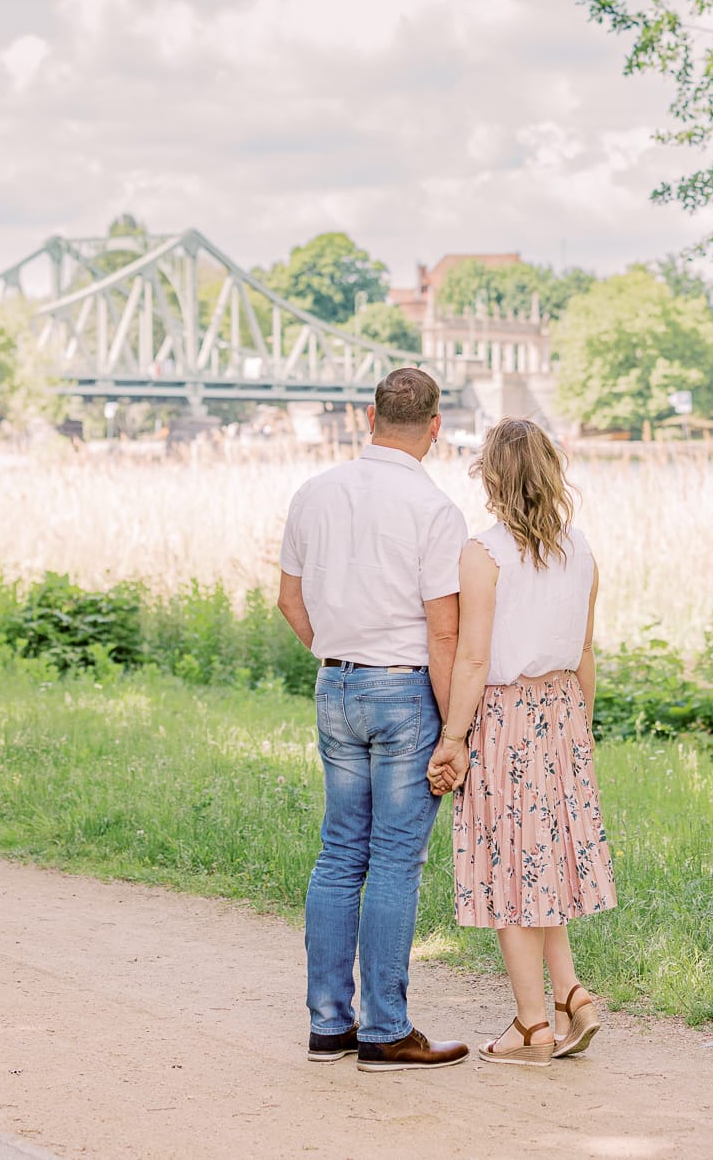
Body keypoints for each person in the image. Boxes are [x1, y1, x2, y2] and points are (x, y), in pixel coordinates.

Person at [277, 366, 470, 1072]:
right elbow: (443, 632)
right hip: (405, 691)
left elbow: (290, 601)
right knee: (394, 859)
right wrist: (455, 733)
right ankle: (385, 1028)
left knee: (337, 854)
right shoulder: (435, 508)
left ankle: (330, 1024)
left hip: (336, 685)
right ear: (435, 424)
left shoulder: (314, 492)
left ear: (368, 414)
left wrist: (340, 657)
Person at [427, 418, 616, 1067]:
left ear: (492, 477)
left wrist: (454, 735)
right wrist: (580, 730)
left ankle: (533, 1025)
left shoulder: (485, 554)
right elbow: (587, 651)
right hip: (563, 709)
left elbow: (474, 658)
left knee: (512, 869)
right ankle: (572, 994)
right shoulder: (581, 550)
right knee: (544, 867)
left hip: (506, 716)